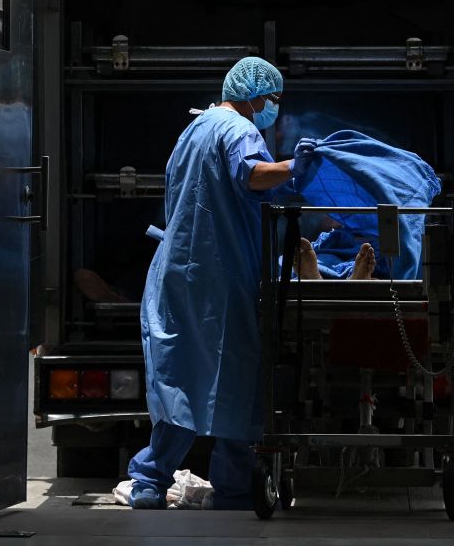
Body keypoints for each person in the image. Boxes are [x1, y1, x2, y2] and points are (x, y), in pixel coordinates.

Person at [127, 56, 319, 510]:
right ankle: (232, 488)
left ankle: (149, 482)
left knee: (180, 377)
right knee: (234, 378)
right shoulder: (238, 129)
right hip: (220, 276)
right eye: (272, 99)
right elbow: (250, 174)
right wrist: (294, 167)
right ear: (255, 96)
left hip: (178, 275)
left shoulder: (194, 129)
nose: (273, 108)